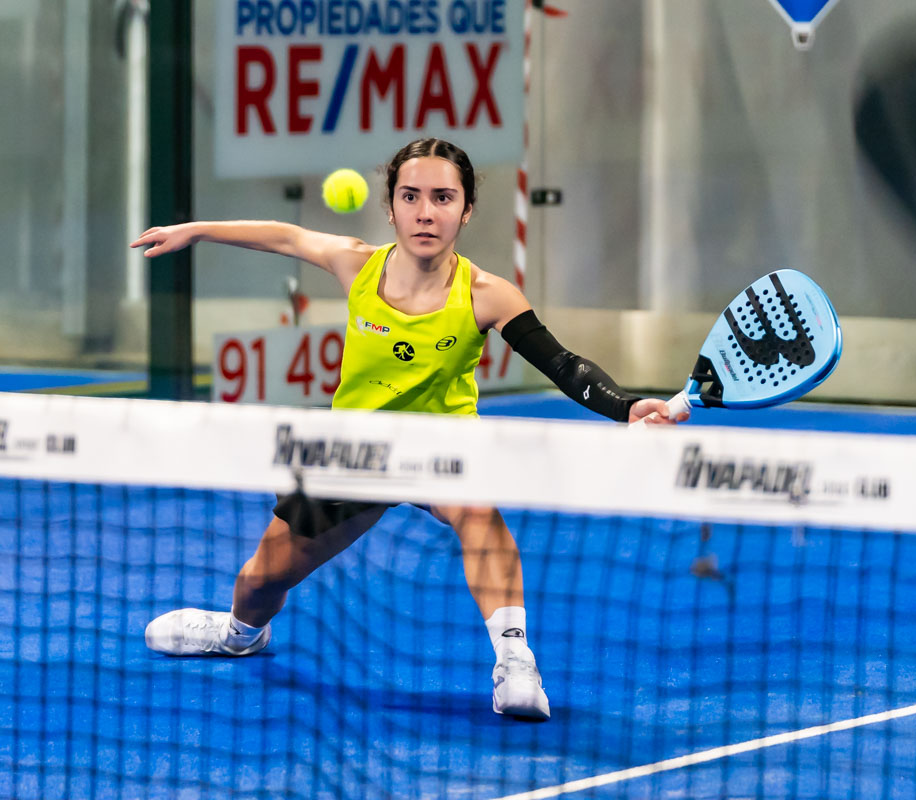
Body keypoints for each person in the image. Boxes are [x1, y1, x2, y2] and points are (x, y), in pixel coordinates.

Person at [130, 138, 684, 721]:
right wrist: (196, 230)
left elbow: (563, 365)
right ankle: (238, 634)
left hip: (443, 449)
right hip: (355, 453)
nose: (425, 212)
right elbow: (284, 236)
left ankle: (515, 661)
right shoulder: (356, 264)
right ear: (391, 207)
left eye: (443, 198)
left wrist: (626, 407)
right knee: (260, 582)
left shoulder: (487, 294)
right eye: (410, 196)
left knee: (479, 514)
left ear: (466, 210)